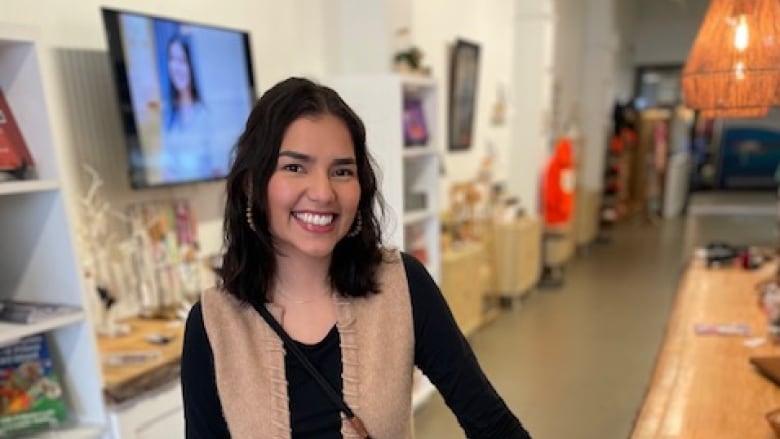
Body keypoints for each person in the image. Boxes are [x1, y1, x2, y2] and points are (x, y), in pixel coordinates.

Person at [181, 77, 532, 438]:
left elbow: (493, 425)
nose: (322, 192)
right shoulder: (213, 325)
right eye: (295, 167)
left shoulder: (401, 286)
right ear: (251, 184)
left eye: (342, 171)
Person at [158, 34, 215, 183]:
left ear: (191, 65)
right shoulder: (168, 119)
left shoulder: (205, 116)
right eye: (172, 60)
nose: (177, 67)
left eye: (182, 61)